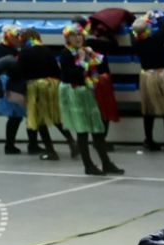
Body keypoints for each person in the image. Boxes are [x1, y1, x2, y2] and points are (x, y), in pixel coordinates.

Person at [57, 23, 121, 176]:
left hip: (87, 91)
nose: (77, 38)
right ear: (67, 38)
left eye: (79, 34)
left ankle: (106, 163)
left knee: (97, 128)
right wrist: (82, 60)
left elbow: (96, 68)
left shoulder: (86, 50)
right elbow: (74, 75)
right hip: (74, 92)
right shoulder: (65, 54)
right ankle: (88, 165)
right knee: (83, 130)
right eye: (73, 35)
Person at [14, 29, 74, 165]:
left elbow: (19, 72)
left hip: (36, 87)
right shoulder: (46, 50)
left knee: (40, 119)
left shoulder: (24, 52)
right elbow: (57, 70)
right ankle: (72, 142)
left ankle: (50, 150)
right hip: (52, 85)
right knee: (56, 116)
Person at [131, 9, 164, 152]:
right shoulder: (155, 40)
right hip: (162, 75)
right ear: (147, 29)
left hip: (146, 76)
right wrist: (155, 15)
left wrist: (143, 19)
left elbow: (134, 31)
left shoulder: (136, 43)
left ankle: (148, 140)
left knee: (148, 110)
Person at [0, 26, 28, 156]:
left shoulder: (10, 48)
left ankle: (13, 144)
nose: (19, 39)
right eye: (15, 36)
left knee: (18, 116)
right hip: (9, 84)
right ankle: (9, 145)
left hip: (13, 82)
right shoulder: (4, 50)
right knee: (15, 116)